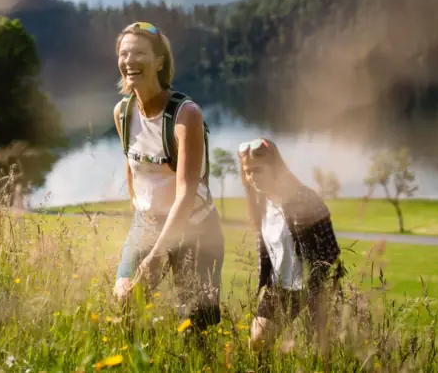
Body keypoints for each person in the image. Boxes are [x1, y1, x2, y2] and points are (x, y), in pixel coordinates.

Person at [111, 21, 224, 335]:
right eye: (123, 53)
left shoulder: (185, 114)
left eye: (139, 53)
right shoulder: (122, 112)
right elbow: (132, 165)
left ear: (160, 61)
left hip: (195, 228)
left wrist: (157, 255)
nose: (129, 60)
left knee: (195, 330)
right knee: (124, 303)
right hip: (148, 222)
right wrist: (140, 208)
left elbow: (186, 193)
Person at [237, 137, 345, 354]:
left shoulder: (306, 200)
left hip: (311, 288)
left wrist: (319, 292)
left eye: (257, 170)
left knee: (320, 355)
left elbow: (331, 252)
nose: (251, 178)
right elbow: (267, 252)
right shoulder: (261, 203)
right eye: (247, 172)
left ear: (275, 167)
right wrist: (264, 283)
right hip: (279, 289)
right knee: (257, 342)